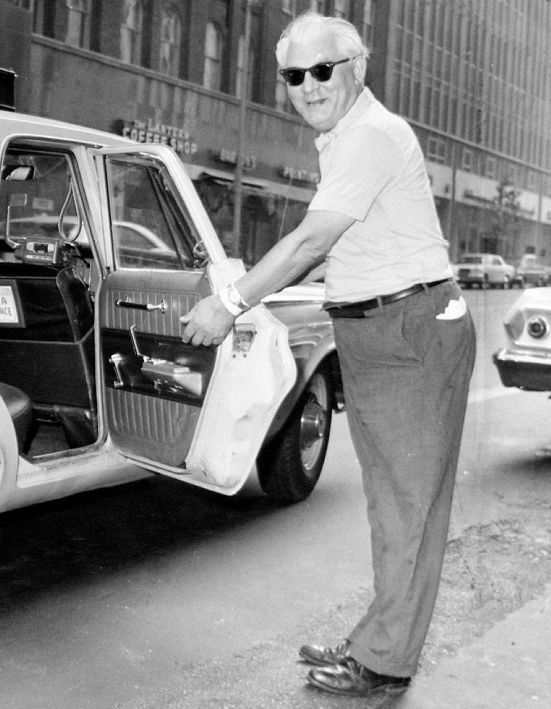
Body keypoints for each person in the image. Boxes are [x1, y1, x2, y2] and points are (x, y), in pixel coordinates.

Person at [180, 11, 476, 697]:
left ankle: (385, 661)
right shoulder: (344, 140)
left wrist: (230, 303)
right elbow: (333, 251)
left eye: (322, 70)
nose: (308, 86)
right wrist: (261, 287)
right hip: (378, 331)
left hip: (408, 331)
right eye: (293, 75)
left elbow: (312, 242)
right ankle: (380, 638)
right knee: (391, 505)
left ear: (357, 68)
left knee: (407, 509)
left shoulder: (369, 136)